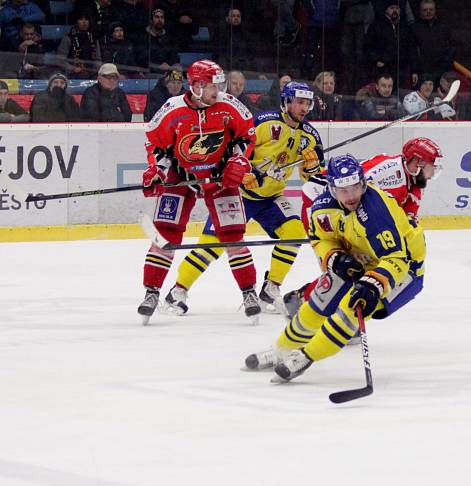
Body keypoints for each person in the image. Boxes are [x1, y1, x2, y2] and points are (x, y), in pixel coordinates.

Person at [244, 154, 427, 383]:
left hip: (405, 270)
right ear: (331, 189)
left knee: (348, 311)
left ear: (363, 183)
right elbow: (321, 239)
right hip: (360, 257)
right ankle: (280, 349)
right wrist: (335, 258)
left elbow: (396, 259)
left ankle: (305, 356)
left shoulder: (377, 211)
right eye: (343, 190)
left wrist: (372, 286)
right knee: (316, 304)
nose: (350, 196)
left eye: (355, 187)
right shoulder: (322, 208)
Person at [164, 81, 323, 318]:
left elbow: (313, 178)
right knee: (211, 245)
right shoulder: (265, 122)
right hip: (238, 194)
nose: (303, 107)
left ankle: (271, 290)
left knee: (294, 233)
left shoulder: (309, 136)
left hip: (270, 197)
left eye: (307, 103)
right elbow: (234, 147)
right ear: (286, 101)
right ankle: (177, 291)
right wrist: (243, 171)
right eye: (299, 102)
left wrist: (313, 167)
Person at [136, 59, 258, 324]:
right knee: (165, 232)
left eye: (220, 85)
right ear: (196, 86)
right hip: (181, 176)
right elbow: (156, 143)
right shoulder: (172, 109)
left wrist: (239, 161)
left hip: (220, 176)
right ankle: (151, 292)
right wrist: (155, 171)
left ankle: (249, 292)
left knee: (233, 235)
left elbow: (247, 135)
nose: (219, 91)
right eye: (213, 86)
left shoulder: (229, 105)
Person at [279, 137, 443, 317]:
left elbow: (404, 225)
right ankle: (305, 304)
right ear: (417, 163)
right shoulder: (387, 171)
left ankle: (312, 302)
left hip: (347, 210)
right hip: (319, 198)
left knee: (360, 265)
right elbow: (343, 189)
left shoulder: (414, 185)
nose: (433, 173)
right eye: (431, 167)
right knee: (342, 266)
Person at [57, 11, 101, 79]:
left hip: (91, 74)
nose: (84, 22)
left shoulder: (94, 40)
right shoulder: (68, 39)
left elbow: (98, 60)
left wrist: (93, 70)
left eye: (86, 19)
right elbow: (60, 60)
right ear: (76, 22)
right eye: (81, 19)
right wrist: (73, 68)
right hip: (72, 74)